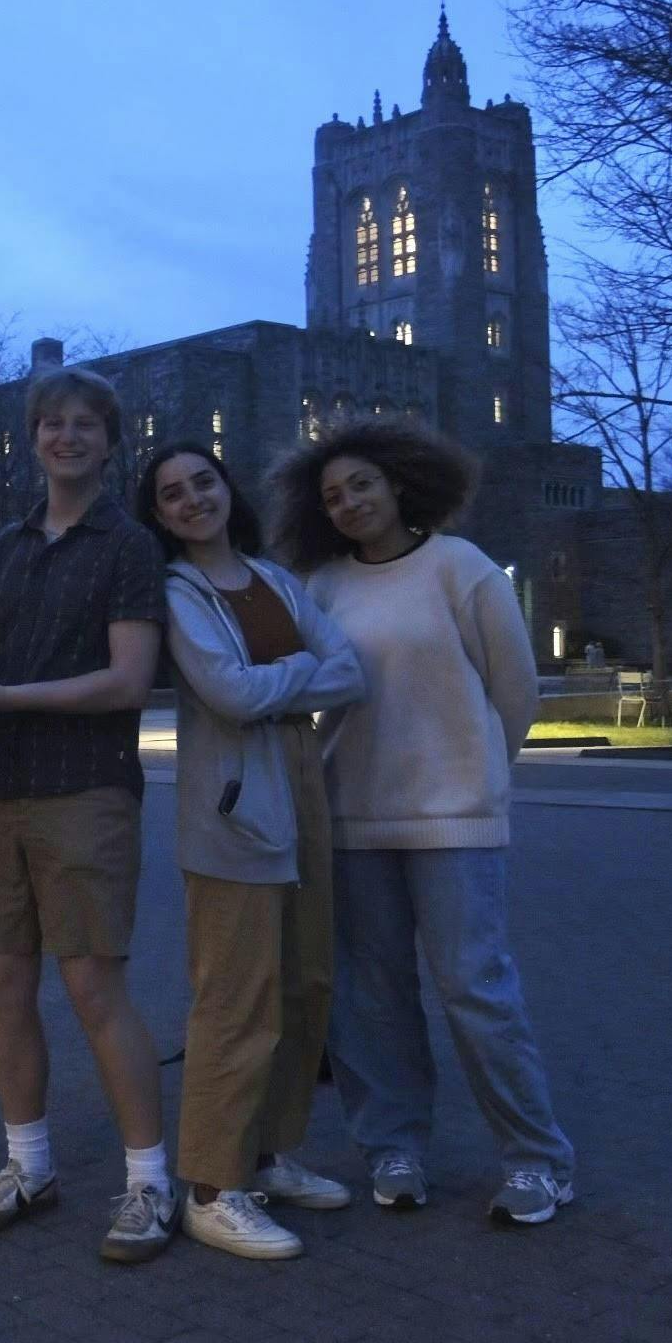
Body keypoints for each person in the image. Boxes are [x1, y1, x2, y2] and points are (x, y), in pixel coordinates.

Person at [274, 417, 576, 1227]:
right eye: (333, 495)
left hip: (451, 818)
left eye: (362, 484)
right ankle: (393, 1146)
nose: (348, 503)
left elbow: (515, 690)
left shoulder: (461, 568)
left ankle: (538, 1160)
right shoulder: (325, 586)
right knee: (372, 998)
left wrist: (475, 772)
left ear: (399, 483)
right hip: (352, 817)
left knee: (475, 990)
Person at [0, 367, 176, 1264]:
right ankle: (28, 1166)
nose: (66, 437)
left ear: (111, 443)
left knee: (90, 987)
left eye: (85, 425)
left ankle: (151, 1182)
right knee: (0, 983)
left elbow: (127, 681)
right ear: (32, 439)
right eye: (51, 424)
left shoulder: (129, 547)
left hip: (86, 787)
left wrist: (2, 694)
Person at [136, 441, 366, 1260]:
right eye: (173, 493)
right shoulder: (177, 591)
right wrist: (301, 668)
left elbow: (353, 673)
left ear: (228, 488)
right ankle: (211, 1184)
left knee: (305, 984)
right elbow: (229, 694)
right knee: (236, 999)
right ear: (159, 515)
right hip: (233, 808)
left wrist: (285, 674)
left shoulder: (273, 579)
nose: (194, 498)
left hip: (301, 789)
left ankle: (266, 1157)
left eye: (204, 481)